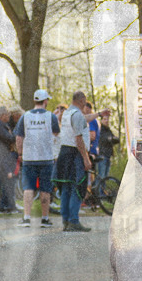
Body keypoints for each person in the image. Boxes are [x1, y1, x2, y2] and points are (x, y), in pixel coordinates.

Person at [15, 88, 60, 228]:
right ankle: (45, 219)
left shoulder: (25, 116)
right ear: (45, 101)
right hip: (46, 158)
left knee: (28, 188)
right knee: (45, 189)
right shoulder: (50, 116)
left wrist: (20, 153)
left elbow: (18, 137)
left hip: (29, 158)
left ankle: (26, 218)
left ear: (35, 101)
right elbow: (57, 135)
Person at [54, 91, 93, 232]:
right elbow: (78, 138)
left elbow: (85, 119)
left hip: (64, 152)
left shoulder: (67, 113)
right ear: (81, 100)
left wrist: (99, 114)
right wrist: (85, 158)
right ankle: (74, 221)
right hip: (75, 153)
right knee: (78, 187)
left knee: (66, 187)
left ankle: (66, 220)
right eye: (85, 100)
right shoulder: (76, 115)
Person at [94, 108, 117, 196]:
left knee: (106, 176)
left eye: (107, 119)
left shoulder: (109, 130)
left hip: (108, 155)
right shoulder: (100, 130)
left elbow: (115, 139)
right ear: (101, 120)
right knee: (101, 176)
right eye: (105, 119)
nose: (106, 121)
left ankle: (102, 193)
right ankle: (97, 194)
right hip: (102, 155)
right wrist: (110, 139)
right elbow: (103, 139)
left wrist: (112, 139)